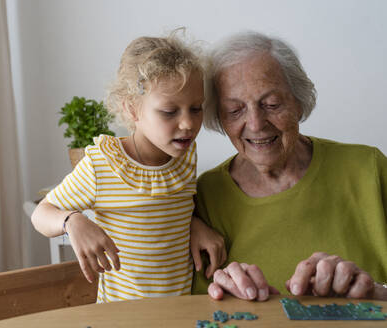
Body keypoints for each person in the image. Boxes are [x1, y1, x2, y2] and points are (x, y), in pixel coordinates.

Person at [32, 31, 226, 303]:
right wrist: (72, 221)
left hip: (178, 311)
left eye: (196, 108)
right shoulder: (103, 165)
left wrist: (194, 223)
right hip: (121, 316)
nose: (188, 124)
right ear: (133, 110)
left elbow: (167, 208)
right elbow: (41, 214)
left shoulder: (185, 155)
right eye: (170, 112)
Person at [192, 31, 387, 301]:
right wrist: (225, 297)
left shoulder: (369, 169)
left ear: (298, 101)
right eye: (235, 110)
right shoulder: (207, 195)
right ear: (219, 118)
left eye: (271, 104)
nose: (257, 124)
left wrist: (376, 293)